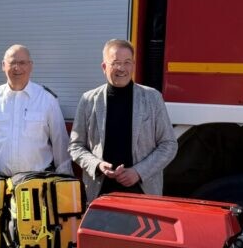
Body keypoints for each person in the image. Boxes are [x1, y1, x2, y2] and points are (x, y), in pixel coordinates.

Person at [68, 38, 177, 201]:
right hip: (100, 193)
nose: (121, 68)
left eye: (127, 62)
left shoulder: (152, 98)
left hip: (142, 191)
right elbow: (75, 146)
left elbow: (169, 144)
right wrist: (97, 165)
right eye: (115, 63)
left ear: (133, 65)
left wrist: (138, 172)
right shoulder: (88, 100)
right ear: (104, 67)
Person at [0, 44, 72, 177]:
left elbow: (60, 142)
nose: (17, 68)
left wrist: (65, 176)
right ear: (3, 65)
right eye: (12, 62)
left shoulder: (47, 100)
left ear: (31, 66)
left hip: (37, 181)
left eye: (22, 63)